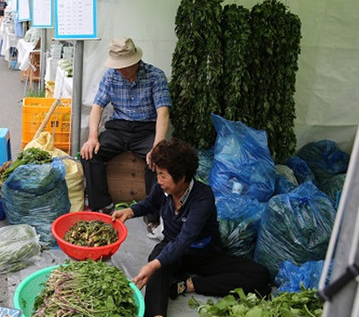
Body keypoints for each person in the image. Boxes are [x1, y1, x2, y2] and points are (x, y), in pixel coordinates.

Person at [112, 139, 271, 317]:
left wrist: (154, 265)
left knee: (260, 275)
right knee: (157, 260)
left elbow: (186, 238)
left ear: (181, 177)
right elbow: (150, 204)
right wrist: (130, 211)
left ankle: (189, 285)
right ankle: (156, 314)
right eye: (158, 174)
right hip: (172, 249)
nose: (159, 180)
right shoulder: (163, 188)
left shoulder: (203, 198)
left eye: (163, 175)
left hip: (203, 255)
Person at [80, 37, 170, 218]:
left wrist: (157, 145)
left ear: (136, 61)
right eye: (117, 66)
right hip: (119, 128)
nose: (120, 70)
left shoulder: (155, 76)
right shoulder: (111, 75)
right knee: (90, 153)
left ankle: (153, 215)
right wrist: (92, 137)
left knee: (159, 159)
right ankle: (103, 205)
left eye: (124, 65)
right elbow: (97, 107)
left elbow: (163, 113)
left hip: (146, 128)